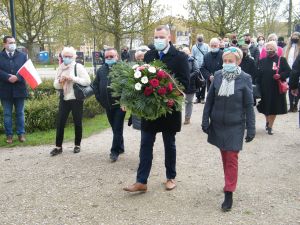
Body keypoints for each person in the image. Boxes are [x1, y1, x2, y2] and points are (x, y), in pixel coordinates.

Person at [123, 25, 189, 192]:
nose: (158, 40)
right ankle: (141, 181)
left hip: (168, 109)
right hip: (150, 110)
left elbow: (184, 84)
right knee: (145, 143)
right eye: (156, 37)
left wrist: (166, 91)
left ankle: (170, 177)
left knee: (169, 144)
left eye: (161, 37)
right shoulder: (149, 55)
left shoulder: (180, 57)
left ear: (169, 38)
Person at [202, 47, 255, 212]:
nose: (227, 64)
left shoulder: (245, 78)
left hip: (235, 125)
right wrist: (205, 120)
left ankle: (229, 191)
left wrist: (251, 128)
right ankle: (228, 181)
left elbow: (248, 105)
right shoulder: (217, 76)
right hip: (218, 124)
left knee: (231, 157)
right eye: (225, 61)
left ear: (238, 61)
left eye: (230, 61)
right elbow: (209, 100)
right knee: (225, 155)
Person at [51, 47, 91, 156]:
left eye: (69, 56)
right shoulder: (60, 68)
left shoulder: (78, 67)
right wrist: (60, 81)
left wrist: (73, 78)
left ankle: (77, 145)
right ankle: (58, 147)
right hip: (64, 98)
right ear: (62, 57)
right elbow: (55, 85)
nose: (67, 58)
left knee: (77, 122)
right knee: (60, 123)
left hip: (76, 98)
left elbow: (87, 81)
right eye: (65, 56)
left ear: (73, 57)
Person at [93, 48, 126, 162]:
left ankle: (114, 151)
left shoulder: (123, 69)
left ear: (117, 56)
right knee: (114, 128)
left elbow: (127, 87)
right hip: (107, 105)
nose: (109, 59)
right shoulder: (101, 70)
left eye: (111, 56)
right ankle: (120, 147)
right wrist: (100, 99)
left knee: (117, 128)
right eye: (106, 57)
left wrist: (124, 101)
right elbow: (95, 85)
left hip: (120, 106)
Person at [256, 41, 291, 135]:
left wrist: (280, 75)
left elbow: (288, 71)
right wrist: (257, 85)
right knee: (265, 107)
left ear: (276, 49)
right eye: (267, 48)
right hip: (264, 88)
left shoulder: (281, 60)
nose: (269, 50)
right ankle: (267, 121)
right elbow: (258, 75)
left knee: (273, 108)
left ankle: (270, 126)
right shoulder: (262, 61)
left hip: (276, 88)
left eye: (271, 48)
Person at [0, 36, 28, 144]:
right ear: (4, 44)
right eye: (10, 42)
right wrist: (7, 77)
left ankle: (21, 134)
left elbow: (27, 69)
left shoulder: (22, 56)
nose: (13, 44)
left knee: (20, 113)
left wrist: (18, 77)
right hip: (5, 89)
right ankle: (9, 135)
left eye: (14, 42)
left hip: (19, 89)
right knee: (7, 114)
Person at [181, 47, 199, 125]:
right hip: (180, 84)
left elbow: (196, 70)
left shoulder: (192, 60)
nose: (185, 53)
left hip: (190, 84)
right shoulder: (179, 60)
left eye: (186, 52)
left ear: (189, 52)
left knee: (189, 102)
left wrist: (188, 76)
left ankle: (187, 118)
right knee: (177, 102)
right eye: (183, 52)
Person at [284, 32, 300, 112]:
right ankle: (291, 105)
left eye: (297, 36)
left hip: (297, 71)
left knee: (297, 88)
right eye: (294, 36)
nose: (295, 37)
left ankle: (295, 105)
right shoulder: (288, 48)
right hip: (289, 70)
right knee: (290, 88)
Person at [192, 34, 209, 104]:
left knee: (203, 82)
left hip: (203, 67)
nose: (200, 42)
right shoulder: (194, 47)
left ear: (203, 40)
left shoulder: (206, 46)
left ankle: (202, 97)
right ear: (197, 40)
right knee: (197, 82)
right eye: (199, 41)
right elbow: (192, 56)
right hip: (196, 67)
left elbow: (208, 55)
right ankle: (197, 97)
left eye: (201, 40)